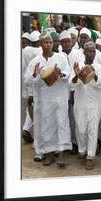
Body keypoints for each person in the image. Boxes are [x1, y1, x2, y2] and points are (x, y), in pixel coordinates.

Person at [24, 31, 72, 167]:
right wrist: (35, 74)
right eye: (46, 42)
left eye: (50, 42)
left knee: (61, 124)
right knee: (47, 126)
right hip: (44, 100)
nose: (49, 44)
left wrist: (60, 74)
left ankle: (61, 155)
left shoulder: (61, 58)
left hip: (59, 98)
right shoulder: (35, 61)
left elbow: (68, 73)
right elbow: (27, 80)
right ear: (40, 44)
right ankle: (50, 154)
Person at [69, 41, 101, 170]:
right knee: (81, 128)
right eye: (89, 51)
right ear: (84, 52)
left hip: (95, 104)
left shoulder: (99, 67)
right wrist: (78, 75)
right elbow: (71, 83)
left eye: (94, 51)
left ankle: (90, 156)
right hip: (81, 103)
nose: (92, 53)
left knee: (92, 129)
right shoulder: (78, 66)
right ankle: (82, 150)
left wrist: (93, 75)